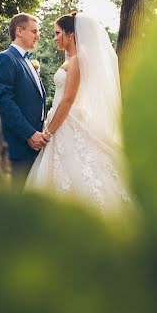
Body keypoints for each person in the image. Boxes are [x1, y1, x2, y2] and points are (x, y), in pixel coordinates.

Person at [24, 12, 132, 217]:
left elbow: (68, 100)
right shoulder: (74, 59)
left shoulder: (77, 60)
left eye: (57, 33)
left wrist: (48, 131)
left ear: (71, 34)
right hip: (63, 122)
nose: (54, 38)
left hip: (65, 123)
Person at [0, 13, 49, 187]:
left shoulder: (28, 62)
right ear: (19, 31)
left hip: (33, 147)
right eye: (34, 31)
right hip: (16, 147)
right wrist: (29, 134)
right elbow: (3, 101)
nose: (38, 36)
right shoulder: (5, 59)